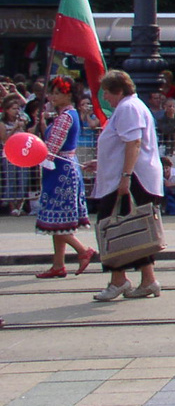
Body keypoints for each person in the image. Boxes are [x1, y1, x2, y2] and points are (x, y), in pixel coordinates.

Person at [88, 70, 163, 301]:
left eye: (107, 93)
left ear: (119, 91)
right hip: (129, 176)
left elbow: (134, 143)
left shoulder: (128, 108)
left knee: (110, 226)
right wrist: (102, 163)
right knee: (137, 228)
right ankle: (148, 279)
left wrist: (125, 176)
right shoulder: (130, 106)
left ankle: (118, 280)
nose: (106, 98)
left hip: (131, 179)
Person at [33, 76, 95, 277]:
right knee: (58, 220)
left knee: (57, 217)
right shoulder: (69, 115)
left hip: (60, 170)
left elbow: (52, 148)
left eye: (56, 93)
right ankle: (58, 264)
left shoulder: (66, 117)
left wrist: (35, 157)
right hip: (64, 168)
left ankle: (83, 250)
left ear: (68, 95)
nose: (52, 96)